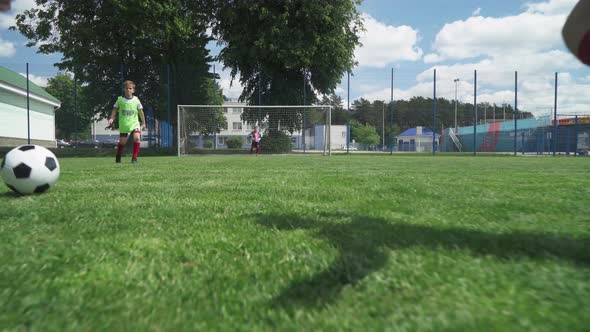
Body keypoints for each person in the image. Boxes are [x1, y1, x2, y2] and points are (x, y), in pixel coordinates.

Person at [108, 80, 146, 163]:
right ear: (124, 89)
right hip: (124, 124)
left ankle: (134, 158)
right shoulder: (120, 100)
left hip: (134, 123)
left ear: (133, 90)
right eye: (126, 88)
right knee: (122, 142)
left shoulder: (136, 100)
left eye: (130, 88)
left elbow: (140, 111)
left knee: (137, 138)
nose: (128, 90)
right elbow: (115, 109)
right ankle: (118, 156)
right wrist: (111, 118)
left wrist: (143, 123)